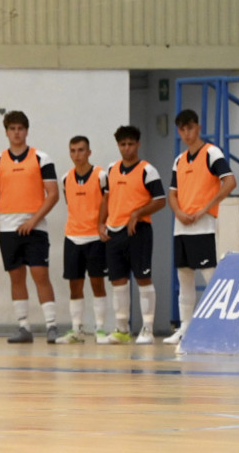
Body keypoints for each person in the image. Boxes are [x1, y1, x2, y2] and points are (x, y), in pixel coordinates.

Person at [0, 111, 60, 344]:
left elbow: (53, 194)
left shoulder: (41, 158)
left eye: (20, 128)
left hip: (35, 228)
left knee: (40, 274)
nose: (17, 132)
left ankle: (51, 326)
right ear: (6, 132)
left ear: (26, 131)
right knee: (16, 277)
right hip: (8, 229)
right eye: (12, 128)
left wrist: (33, 220)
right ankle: (24, 327)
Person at [165, 109, 236, 345]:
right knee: (183, 276)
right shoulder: (179, 160)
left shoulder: (211, 153)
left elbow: (230, 181)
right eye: (182, 129)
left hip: (204, 226)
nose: (187, 133)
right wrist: (178, 212)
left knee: (211, 277)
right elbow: (172, 195)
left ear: (199, 127)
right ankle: (185, 328)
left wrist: (206, 207)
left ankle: (223, 326)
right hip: (182, 227)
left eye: (190, 128)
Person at [99, 125, 165, 345]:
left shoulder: (147, 170)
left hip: (138, 230)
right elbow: (106, 198)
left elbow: (160, 200)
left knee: (142, 278)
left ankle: (147, 328)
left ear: (138, 144)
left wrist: (138, 213)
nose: (126, 148)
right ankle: (121, 328)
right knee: (118, 281)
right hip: (114, 230)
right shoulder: (111, 169)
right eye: (122, 144)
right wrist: (101, 223)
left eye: (130, 144)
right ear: (118, 145)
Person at [56, 136, 111, 344]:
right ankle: (76, 329)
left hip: (95, 237)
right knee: (74, 285)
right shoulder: (65, 178)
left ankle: (99, 329)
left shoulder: (101, 176)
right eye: (73, 151)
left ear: (89, 152)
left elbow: (107, 201)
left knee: (97, 283)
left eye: (81, 150)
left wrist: (101, 224)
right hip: (72, 236)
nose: (77, 155)